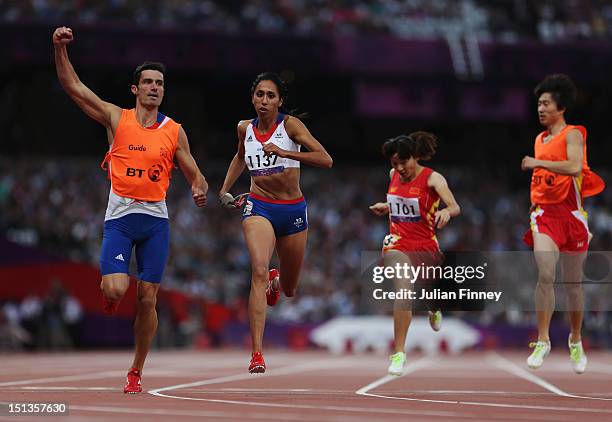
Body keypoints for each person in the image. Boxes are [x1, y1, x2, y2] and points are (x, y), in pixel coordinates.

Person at [53, 26, 208, 393]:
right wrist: (58, 49)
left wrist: (200, 186)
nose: (155, 87)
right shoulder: (115, 118)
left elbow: (193, 170)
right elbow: (73, 87)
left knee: (148, 297)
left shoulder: (174, 130)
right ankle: (109, 292)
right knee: (116, 289)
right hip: (120, 220)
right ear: (135, 89)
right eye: (148, 82)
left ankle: (136, 371)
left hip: (155, 221)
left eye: (160, 83)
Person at [219, 72, 332, 373]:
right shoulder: (244, 128)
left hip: (293, 209)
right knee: (257, 269)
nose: (264, 101)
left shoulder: (290, 126)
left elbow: (326, 159)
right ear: (252, 98)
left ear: (280, 101)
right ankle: (257, 352)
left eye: (270, 96)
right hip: (260, 206)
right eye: (259, 94)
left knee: (291, 288)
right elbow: (240, 157)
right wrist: (225, 189)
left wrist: (284, 151)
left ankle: (277, 282)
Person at [521, 74, 604, 374]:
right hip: (545, 216)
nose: (540, 109)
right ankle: (542, 340)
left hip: (572, 218)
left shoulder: (573, 135)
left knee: (573, 286)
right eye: (538, 104)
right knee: (545, 275)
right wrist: (536, 195)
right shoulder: (539, 139)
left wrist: (537, 163)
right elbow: (543, 178)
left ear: (561, 106)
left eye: (545, 103)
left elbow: (571, 167)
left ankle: (575, 339)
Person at [369, 131, 460, 376]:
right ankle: (399, 353)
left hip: (425, 244)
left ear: (415, 157)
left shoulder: (433, 179)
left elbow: (454, 206)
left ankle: (434, 306)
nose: (399, 168)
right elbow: (402, 201)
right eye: (394, 163)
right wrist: (386, 206)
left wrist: (446, 213)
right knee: (404, 290)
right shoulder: (393, 175)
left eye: (403, 162)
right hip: (397, 242)